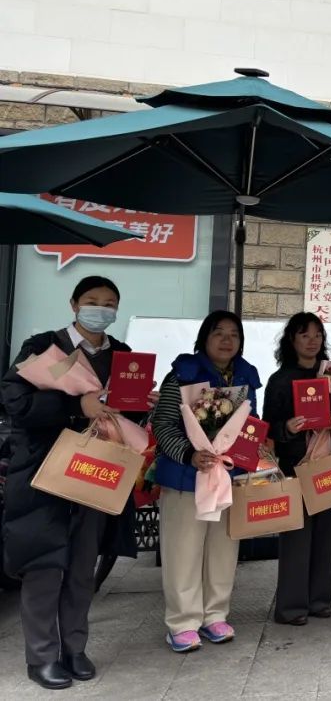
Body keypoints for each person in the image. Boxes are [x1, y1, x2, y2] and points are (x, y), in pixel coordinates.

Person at [2, 276, 154, 689]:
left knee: (83, 565)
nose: (100, 310)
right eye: (91, 301)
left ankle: (74, 647)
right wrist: (75, 405)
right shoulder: (43, 347)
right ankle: (41, 656)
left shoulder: (123, 355)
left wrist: (140, 403)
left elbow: (125, 414)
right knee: (45, 564)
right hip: (45, 473)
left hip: (97, 471)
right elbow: (15, 400)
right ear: (73, 304)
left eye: (109, 304)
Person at [153, 310, 261, 653]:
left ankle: (215, 615)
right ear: (204, 338)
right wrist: (189, 454)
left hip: (227, 476)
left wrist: (252, 449)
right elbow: (163, 424)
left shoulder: (245, 376)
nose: (227, 340)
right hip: (186, 477)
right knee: (183, 551)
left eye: (234, 334)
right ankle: (183, 622)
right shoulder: (182, 374)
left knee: (222, 551)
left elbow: (251, 424)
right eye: (219, 333)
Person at [264, 312, 331, 626]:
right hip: (295, 466)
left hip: (327, 464)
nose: (312, 341)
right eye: (304, 335)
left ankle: (320, 601)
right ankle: (291, 607)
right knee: (296, 537)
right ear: (292, 340)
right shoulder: (280, 380)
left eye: (317, 335)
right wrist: (287, 427)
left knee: (326, 535)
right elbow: (268, 427)